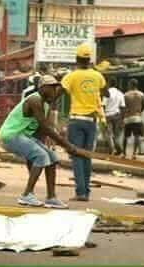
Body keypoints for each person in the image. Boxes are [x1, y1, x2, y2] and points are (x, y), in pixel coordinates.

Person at [0, 75, 77, 208]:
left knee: (52, 157)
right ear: (43, 88)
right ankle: (26, 195)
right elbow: (45, 128)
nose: (54, 91)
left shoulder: (45, 105)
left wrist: (40, 150)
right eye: (52, 88)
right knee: (41, 156)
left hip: (24, 136)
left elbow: (40, 132)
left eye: (56, 89)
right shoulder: (35, 100)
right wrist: (67, 145)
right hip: (10, 136)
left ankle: (51, 197)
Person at [61, 43, 106, 201]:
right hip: (91, 121)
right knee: (87, 156)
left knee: (76, 156)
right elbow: (103, 91)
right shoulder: (97, 76)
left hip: (76, 120)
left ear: (77, 59)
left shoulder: (71, 76)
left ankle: (80, 193)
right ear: (89, 60)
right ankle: (85, 192)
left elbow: (61, 91)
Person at [122, 78, 144, 159]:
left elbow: (124, 107)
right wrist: (138, 112)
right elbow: (143, 106)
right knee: (137, 136)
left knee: (125, 136)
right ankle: (134, 153)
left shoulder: (126, 95)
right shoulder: (141, 94)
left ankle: (124, 153)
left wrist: (123, 117)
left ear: (130, 85)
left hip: (128, 117)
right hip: (137, 117)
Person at [102, 77, 125, 155]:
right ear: (116, 84)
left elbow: (103, 105)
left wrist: (102, 116)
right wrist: (122, 119)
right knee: (116, 135)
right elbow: (122, 107)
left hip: (107, 115)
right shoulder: (120, 93)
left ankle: (111, 149)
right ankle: (119, 149)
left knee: (108, 134)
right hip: (117, 115)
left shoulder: (107, 93)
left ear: (109, 84)